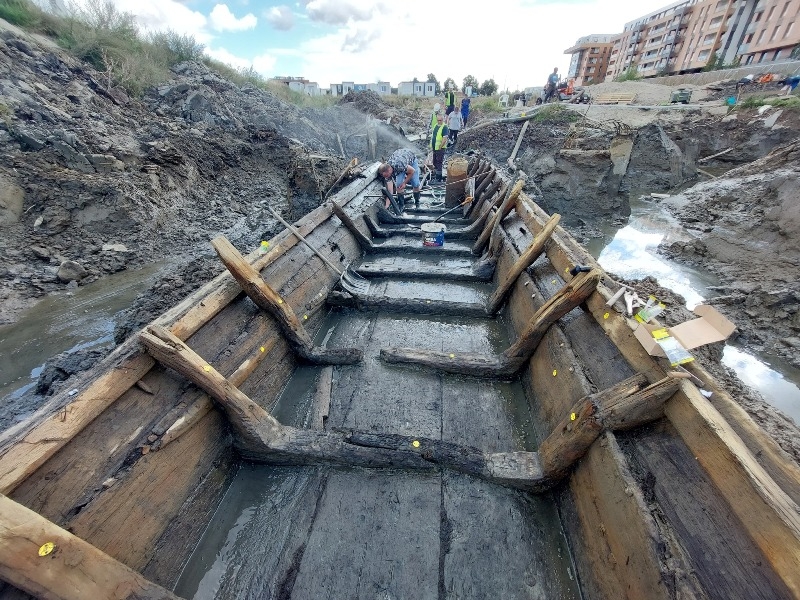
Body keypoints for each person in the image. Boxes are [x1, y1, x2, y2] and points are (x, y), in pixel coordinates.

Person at [429, 113, 449, 182]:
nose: (439, 121)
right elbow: (433, 136)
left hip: (440, 148)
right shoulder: (435, 126)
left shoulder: (445, 127)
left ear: (443, 120)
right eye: (438, 120)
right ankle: (435, 175)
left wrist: (440, 146)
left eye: (440, 120)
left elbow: (444, 138)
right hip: (435, 148)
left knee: (439, 162)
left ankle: (439, 178)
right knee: (434, 161)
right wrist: (431, 146)